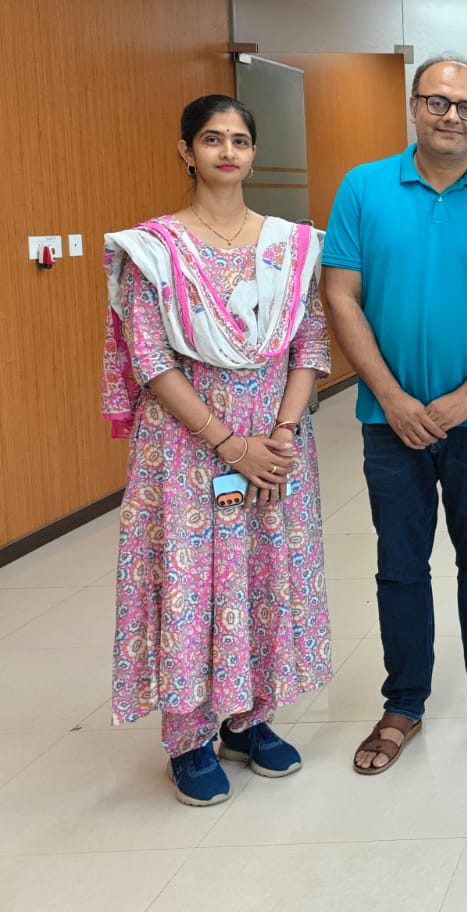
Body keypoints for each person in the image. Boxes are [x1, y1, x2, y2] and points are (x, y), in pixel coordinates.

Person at [322, 53, 467, 776]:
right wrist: (391, 397)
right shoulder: (363, 188)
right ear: (414, 105)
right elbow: (340, 294)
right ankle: (403, 703)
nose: (452, 116)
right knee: (399, 564)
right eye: (438, 102)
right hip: (389, 421)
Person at [102, 94, 332, 806]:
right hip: (186, 448)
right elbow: (149, 359)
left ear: (253, 153)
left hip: (277, 443)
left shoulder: (291, 246)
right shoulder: (156, 250)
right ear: (186, 151)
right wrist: (230, 444)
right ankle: (188, 738)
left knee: (262, 574)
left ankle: (249, 719)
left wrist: (282, 435)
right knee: (192, 583)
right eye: (212, 138)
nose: (227, 151)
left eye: (239, 139)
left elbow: (310, 343)